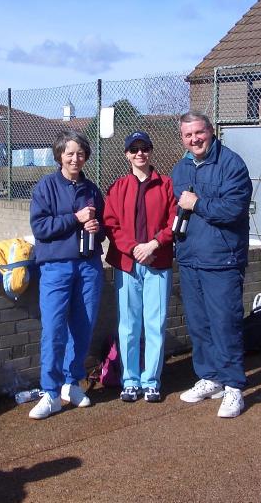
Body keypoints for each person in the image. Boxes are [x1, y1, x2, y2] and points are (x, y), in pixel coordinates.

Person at [171, 112, 252, 418]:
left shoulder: (232, 164)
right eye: (188, 135)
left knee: (225, 324)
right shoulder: (181, 168)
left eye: (199, 133)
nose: (195, 139)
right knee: (199, 324)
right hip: (190, 259)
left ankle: (233, 387)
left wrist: (198, 204)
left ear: (211, 131)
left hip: (222, 260)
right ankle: (210, 377)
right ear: (182, 138)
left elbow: (233, 209)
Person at [28, 130, 105, 419]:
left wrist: (97, 230)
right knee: (54, 329)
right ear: (59, 154)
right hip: (56, 267)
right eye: (70, 153)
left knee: (83, 327)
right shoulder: (45, 187)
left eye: (81, 153)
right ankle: (50, 392)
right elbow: (41, 228)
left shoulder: (92, 189)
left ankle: (72, 383)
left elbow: (103, 227)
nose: (75, 158)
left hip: (88, 266)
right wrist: (75, 219)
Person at [104, 131, 177, 403]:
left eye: (144, 148)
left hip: (157, 262)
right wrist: (134, 248)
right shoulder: (118, 187)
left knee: (154, 324)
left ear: (151, 151)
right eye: (133, 149)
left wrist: (154, 245)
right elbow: (111, 224)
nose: (139, 154)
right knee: (129, 325)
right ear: (126, 154)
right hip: (127, 264)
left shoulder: (167, 185)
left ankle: (151, 381)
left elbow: (174, 221)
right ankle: (130, 380)